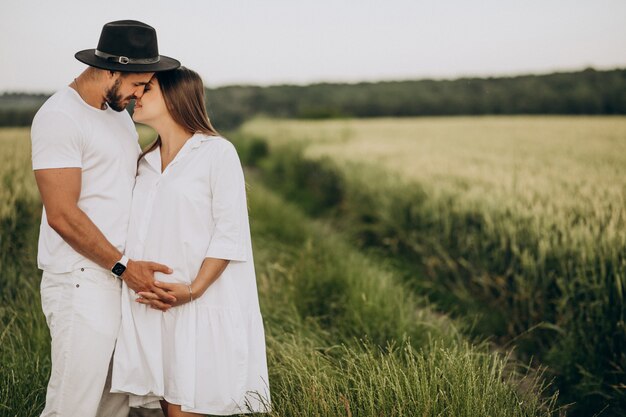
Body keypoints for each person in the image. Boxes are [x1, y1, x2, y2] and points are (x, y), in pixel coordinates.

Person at [31, 20, 180, 417]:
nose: (138, 95)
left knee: (112, 407)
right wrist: (123, 267)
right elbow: (62, 215)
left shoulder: (115, 114)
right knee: (72, 406)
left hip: (117, 279)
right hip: (81, 281)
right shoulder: (60, 116)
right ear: (113, 69)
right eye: (138, 83)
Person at [110, 67, 271, 416]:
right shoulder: (144, 162)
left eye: (147, 88)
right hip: (156, 308)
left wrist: (193, 289)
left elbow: (230, 234)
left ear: (173, 96)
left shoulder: (216, 153)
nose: (136, 94)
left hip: (200, 304)